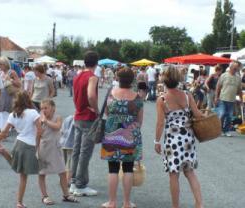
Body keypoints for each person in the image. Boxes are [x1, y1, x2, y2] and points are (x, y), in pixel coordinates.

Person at [155, 65, 204, 208]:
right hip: (188, 137)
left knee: (173, 174)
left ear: (164, 80)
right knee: (190, 172)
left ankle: (175, 206)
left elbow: (160, 123)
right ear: (178, 79)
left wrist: (156, 141)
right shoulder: (188, 95)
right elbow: (198, 115)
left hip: (172, 140)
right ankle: (199, 204)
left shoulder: (162, 99)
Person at [0, 91, 42, 208]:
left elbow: (4, 132)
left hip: (18, 143)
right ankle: (19, 202)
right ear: (28, 100)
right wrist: (38, 145)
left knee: (19, 170)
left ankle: (3, 151)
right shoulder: (33, 112)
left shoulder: (13, 114)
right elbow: (39, 131)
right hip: (29, 145)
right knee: (23, 175)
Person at [100, 68, 143, 208]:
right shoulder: (137, 97)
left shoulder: (111, 94)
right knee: (128, 168)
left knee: (112, 168)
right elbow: (140, 121)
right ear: (132, 80)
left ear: (118, 78)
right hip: (130, 133)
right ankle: (126, 202)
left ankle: (112, 202)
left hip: (112, 132)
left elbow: (106, 112)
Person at [37, 100, 78, 205]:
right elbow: (37, 135)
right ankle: (44, 196)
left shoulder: (58, 117)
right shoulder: (39, 120)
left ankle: (66, 194)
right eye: (42, 108)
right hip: (44, 149)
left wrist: (45, 121)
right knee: (42, 173)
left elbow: (57, 127)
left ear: (53, 108)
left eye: (46, 108)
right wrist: (36, 149)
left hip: (55, 148)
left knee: (62, 172)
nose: (43, 110)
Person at [70, 51, 99, 196]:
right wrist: (96, 109)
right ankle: (80, 185)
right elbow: (91, 95)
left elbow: (75, 95)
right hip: (88, 117)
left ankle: (73, 181)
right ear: (96, 63)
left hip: (78, 115)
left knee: (76, 151)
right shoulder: (92, 77)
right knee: (85, 152)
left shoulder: (77, 76)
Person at [215, 60, 243, 137]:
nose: (236, 69)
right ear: (230, 67)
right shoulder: (224, 75)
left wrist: (241, 99)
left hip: (232, 100)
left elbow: (239, 90)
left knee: (229, 116)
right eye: (235, 68)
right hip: (223, 99)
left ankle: (226, 130)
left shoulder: (238, 78)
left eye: (237, 68)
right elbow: (218, 87)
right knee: (223, 114)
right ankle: (219, 130)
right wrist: (216, 97)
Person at [0, 56, 21, 133]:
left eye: (0, 65)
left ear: (5, 64)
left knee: (6, 112)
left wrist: (10, 80)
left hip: (9, 95)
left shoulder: (12, 72)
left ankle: (5, 130)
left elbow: (19, 84)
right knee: (0, 112)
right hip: (1, 95)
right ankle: (1, 129)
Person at [60, 115, 75, 184]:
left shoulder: (67, 118)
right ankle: (67, 180)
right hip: (71, 144)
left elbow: (62, 131)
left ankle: (62, 179)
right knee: (69, 163)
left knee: (63, 162)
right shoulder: (76, 120)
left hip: (63, 142)